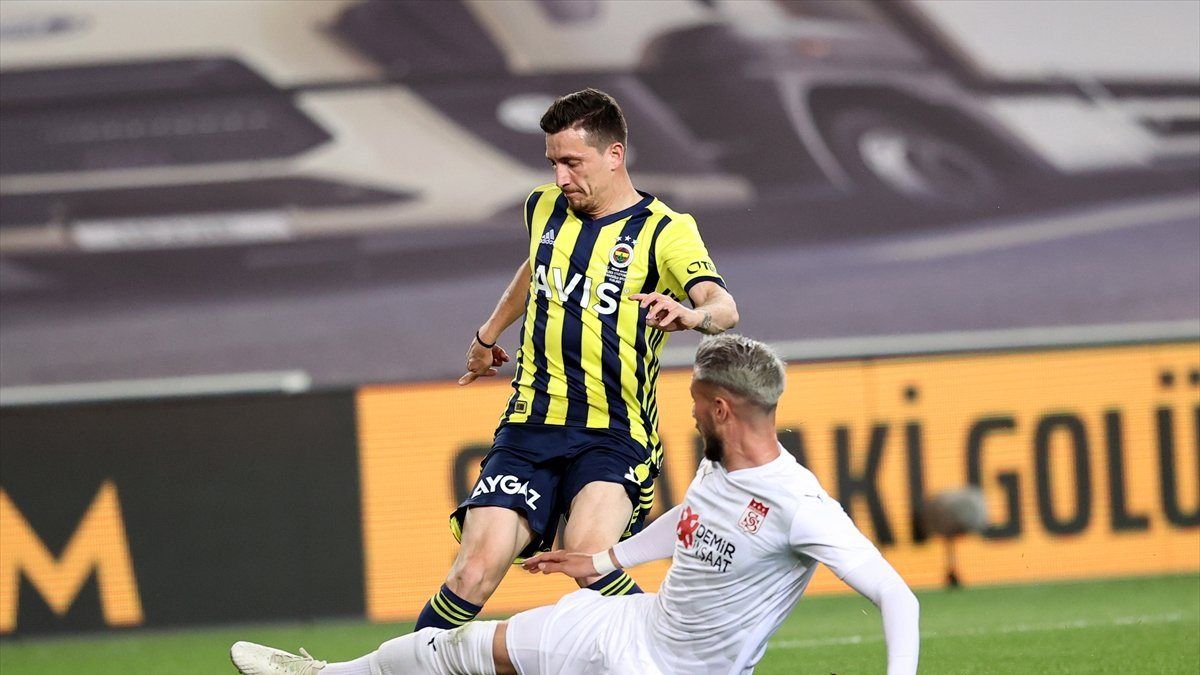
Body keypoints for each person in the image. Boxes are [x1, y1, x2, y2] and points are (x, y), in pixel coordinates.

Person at [231, 335, 920, 675]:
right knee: (460, 647)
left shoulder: (800, 504)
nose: (689, 416)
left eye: (694, 405)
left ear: (720, 408)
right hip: (631, 624)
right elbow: (689, 523)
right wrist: (605, 559)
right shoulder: (720, 469)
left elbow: (898, 597)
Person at [415, 87, 739, 631]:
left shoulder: (666, 230)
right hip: (531, 425)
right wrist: (487, 334)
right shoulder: (543, 207)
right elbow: (535, 267)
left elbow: (724, 307)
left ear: (614, 155)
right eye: (553, 163)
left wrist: (691, 315)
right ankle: (404, 666)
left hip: (614, 432)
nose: (561, 177)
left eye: (572, 162)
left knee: (588, 559)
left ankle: (678, 653)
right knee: (472, 572)